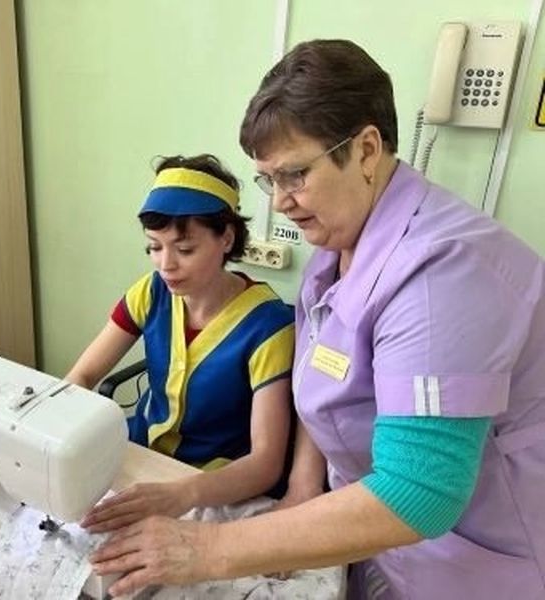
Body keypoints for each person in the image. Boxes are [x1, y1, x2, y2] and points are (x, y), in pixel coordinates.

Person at [90, 40, 545, 599]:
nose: (279, 202)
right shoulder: (336, 253)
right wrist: (304, 485)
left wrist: (205, 549)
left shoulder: (442, 272)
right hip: (370, 538)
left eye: (294, 175)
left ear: (366, 150)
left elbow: (419, 493)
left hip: (474, 561)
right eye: (269, 180)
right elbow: (324, 386)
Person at [66, 154, 296, 534]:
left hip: (213, 482)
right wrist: (57, 436)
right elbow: (84, 375)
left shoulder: (268, 327)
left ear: (226, 238)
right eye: (154, 247)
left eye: (184, 249)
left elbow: (266, 463)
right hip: (141, 453)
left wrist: (183, 494)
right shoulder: (151, 291)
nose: (165, 265)